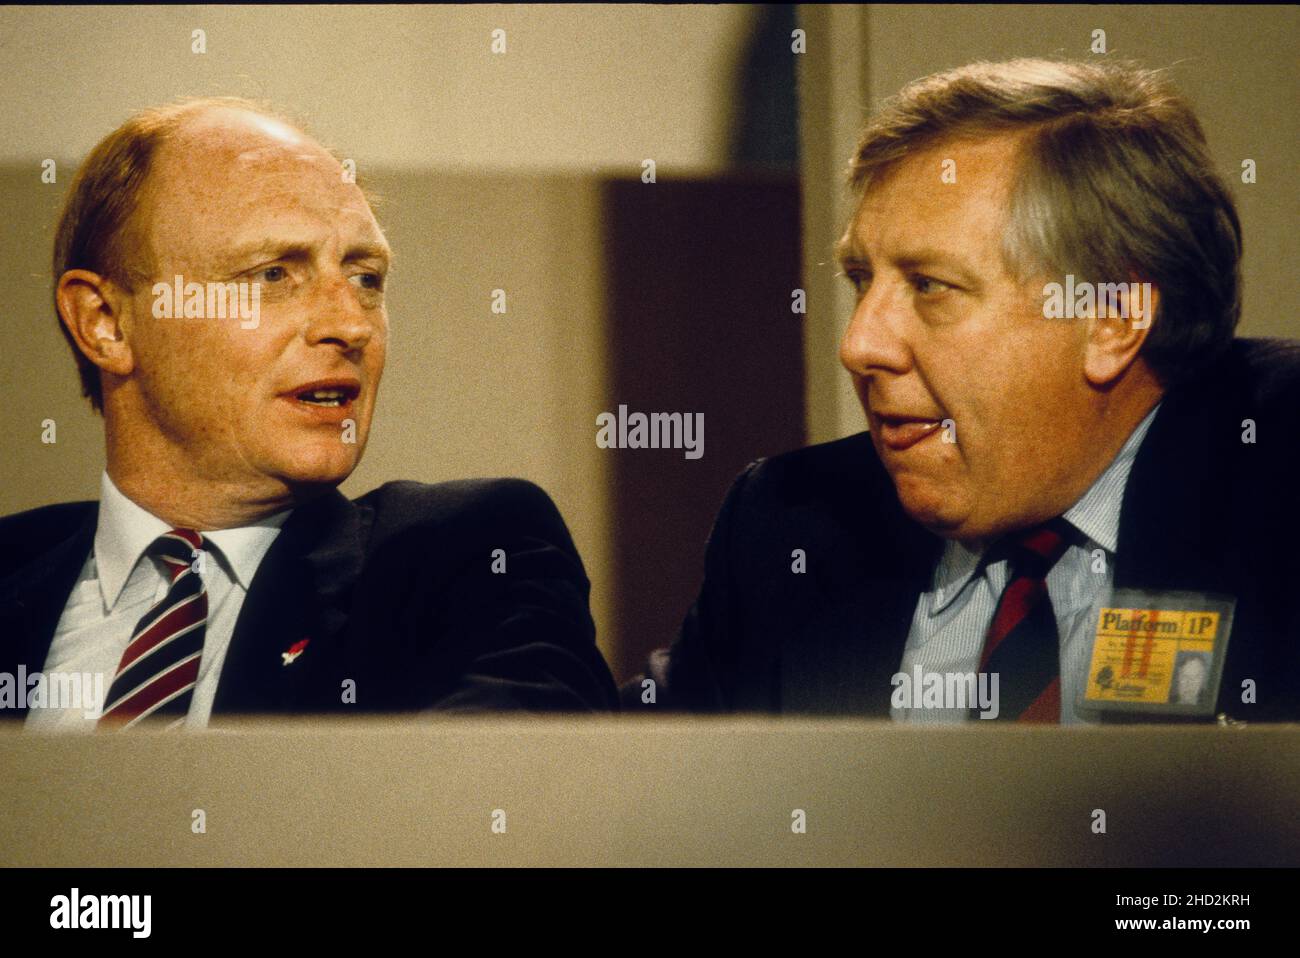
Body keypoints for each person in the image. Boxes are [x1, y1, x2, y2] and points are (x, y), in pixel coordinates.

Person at [624, 58, 1300, 723]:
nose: (860, 344)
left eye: (929, 285)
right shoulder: (792, 525)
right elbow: (646, 788)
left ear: (1111, 318)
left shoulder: (1281, 481)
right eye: (862, 278)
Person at [0, 98, 617, 730]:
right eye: (273, 274)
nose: (349, 325)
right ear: (105, 323)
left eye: (366, 279)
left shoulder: (467, 559)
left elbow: (498, 802)